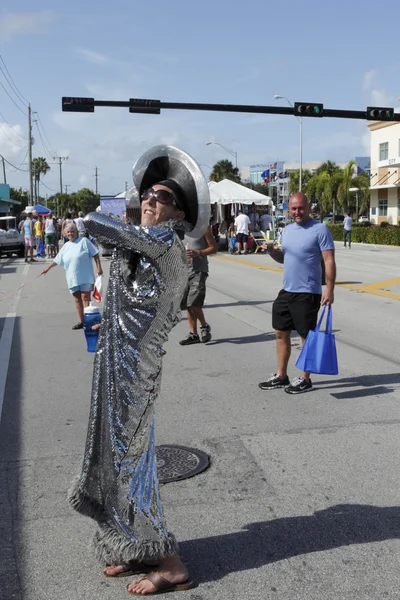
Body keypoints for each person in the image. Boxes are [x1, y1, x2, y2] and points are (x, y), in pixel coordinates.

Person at [64, 146, 209, 596]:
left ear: (179, 212)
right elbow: (117, 249)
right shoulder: (140, 244)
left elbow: (107, 230)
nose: (150, 200)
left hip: (135, 373)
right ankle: (134, 547)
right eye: (147, 193)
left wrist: (84, 221)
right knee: (112, 456)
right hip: (114, 366)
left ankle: (169, 562)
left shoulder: (167, 243)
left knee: (132, 462)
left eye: (162, 196)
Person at [259, 193, 336, 394]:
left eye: (300, 208)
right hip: (287, 290)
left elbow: (329, 261)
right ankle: (281, 375)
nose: (297, 212)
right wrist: (271, 252)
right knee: (280, 332)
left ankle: (305, 378)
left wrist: (329, 289)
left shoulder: (320, 230)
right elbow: (285, 258)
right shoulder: (287, 230)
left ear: (308, 207)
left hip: (308, 292)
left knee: (305, 336)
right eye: (293, 209)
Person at [41, 222, 103, 330]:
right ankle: (82, 322)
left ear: (77, 232)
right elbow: (57, 259)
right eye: (68, 232)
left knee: (85, 297)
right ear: (65, 234)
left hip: (85, 277)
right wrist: (47, 268)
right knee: (77, 299)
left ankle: (89, 322)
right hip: (72, 278)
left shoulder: (84, 241)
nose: (71, 234)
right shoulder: (66, 246)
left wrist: (99, 267)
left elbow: (95, 254)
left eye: (73, 231)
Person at [179, 225, 217, 345]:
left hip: (199, 270)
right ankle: (193, 334)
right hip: (183, 271)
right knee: (188, 304)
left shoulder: (203, 228)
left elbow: (214, 248)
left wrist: (199, 252)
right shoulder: (179, 229)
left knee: (194, 302)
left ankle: (204, 326)